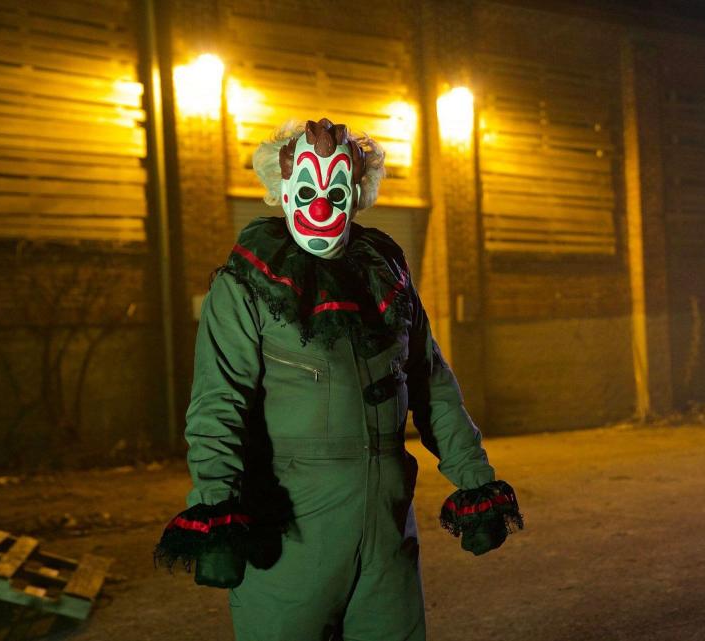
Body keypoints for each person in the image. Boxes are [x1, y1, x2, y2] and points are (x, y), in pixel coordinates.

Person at [154, 118, 523, 641]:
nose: (321, 206)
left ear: (357, 195)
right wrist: (215, 504)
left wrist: (475, 480)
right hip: (291, 530)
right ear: (282, 194)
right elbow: (218, 403)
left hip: (387, 529)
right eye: (307, 190)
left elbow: (431, 383)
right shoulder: (248, 284)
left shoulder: (386, 276)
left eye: (335, 191)